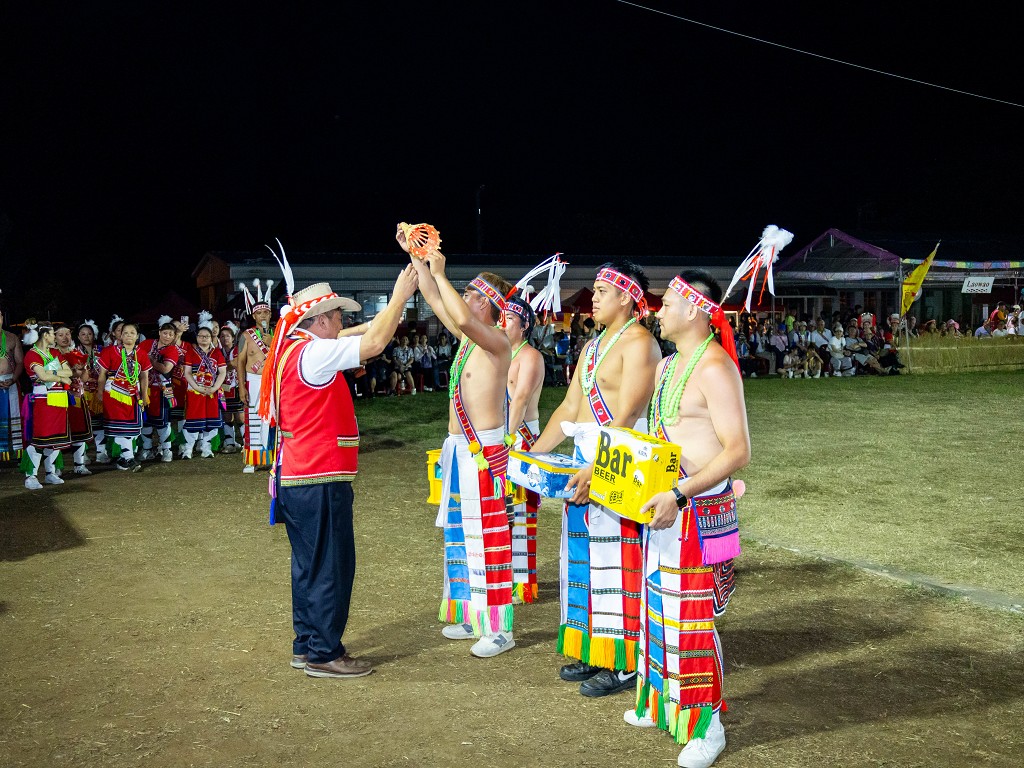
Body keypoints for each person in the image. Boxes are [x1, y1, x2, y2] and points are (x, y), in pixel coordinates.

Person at [258, 260, 418, 679]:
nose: (343, 322)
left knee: (309, 566)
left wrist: (353, 328)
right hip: (319, 476)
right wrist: (400, 296)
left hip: (297, 475)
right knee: (330, 565)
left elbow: (353, 336)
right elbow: (374, 343)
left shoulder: (293, 348)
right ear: (321, 320)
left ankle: (306, 644)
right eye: (338, 317)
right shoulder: (314, 353)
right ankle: (325, 653)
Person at [625, 270, 750, 768]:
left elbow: (738, 450)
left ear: (696, 309)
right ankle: (662, 702)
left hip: (698, 511)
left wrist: (679, 490)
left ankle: (708, 725)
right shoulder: (668, 367)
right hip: (663, 506)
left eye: (670, 302)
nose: (659, 310)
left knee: (692, 620)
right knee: (657, 610)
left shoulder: (715, 368)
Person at [531, 260, 661, 697]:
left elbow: (625, 416)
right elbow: (569, 409)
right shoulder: (593, 347)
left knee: (620, 564)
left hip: (618, 461)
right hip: (586, 457)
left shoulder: (640, 343)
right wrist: (532, 457)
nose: (595, 297)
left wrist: (596, 467)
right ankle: (598, 650)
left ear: (626, 296)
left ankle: (625, 662)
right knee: (584, 561)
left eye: (603, 290)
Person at [405, 238, 517, 658]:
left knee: (489, 538)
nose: (463, 299)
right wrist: (419, 259)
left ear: (486, 304)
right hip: (459, 449)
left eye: (471, 294)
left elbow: (455, 309)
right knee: (461, 535)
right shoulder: (471, 338)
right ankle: (472, 613)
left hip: (483, 452)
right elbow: (435, 298)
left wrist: (442, 272)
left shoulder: (496, 340)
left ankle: (500, 629)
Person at [503, 295, 546, 605]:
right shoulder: (503, 353)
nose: (502, 320)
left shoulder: (530, 356)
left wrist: (505, 440)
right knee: (503, 513)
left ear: (525, 324)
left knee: (521, 513)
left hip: (521, 439)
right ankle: (505, 576)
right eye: (501, 315)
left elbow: (519, 400)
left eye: (509, 317)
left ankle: (522, 583)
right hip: (505, 436)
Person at [21, 322, 73, 489]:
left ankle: (50, 473)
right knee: (39, 440)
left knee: (56, 439)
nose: (54, 337)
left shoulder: (55, 353)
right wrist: (61, 377)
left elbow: (69, 372)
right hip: (43, 400)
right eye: (52, 334)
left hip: (59, 399)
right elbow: (42, 376)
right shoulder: (32, 355)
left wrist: (54, 374)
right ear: (45, 335)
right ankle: (31, 476)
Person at [97, 321, 151, 471]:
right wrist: (100, 392)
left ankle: (123, 459)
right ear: (120, 335)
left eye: (132, 333)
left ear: (137, 336)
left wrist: (145, 394)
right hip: (114, 394)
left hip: (134, 394)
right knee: (121, 428)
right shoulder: (109, 351)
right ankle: (129, 458)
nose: (128, 335)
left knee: (132, 429)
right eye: (125, 332)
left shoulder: (141, 353)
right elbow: (102, 374)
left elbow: (144, 376)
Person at [236, 284, 276, 473]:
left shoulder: (277, 334)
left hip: (273, 382)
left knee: (272, 418)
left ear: (270, 315)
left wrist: (273, 344)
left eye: (266, 312)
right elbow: (240, 362)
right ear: (254, 316)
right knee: (253, 418)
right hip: (253, 381)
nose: (263, 316)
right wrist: (241, 388)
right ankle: (252, 460)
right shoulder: (246, 335)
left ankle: (272, 458)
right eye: (259, 313)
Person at [182, 318, 227, 459]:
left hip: (212, 392)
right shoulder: (190, 352)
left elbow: (223, 372)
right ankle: (188, 449)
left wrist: (214, 388)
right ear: (197, 337)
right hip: (195, 391)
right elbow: (187, 372)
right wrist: (196, 387)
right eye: (201, 336)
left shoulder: (217, 353)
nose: (204, 339)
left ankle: (206, 448)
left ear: (211, 338)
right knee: (193, 420)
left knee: (210, 421)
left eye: (206, 336)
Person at [138, 318, 182, 462]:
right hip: (144, 388)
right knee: (146, 421)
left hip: (162, 389)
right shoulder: (147, 343)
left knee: (163, 421)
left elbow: (165, 369)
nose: (167, 336)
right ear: (159, 332)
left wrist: (149, 360)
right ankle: (147, 448)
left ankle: (167, 450)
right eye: (165, 333)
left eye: (171, 334)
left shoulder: (172, 350)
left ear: (174, 336)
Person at [74, 320, 107, 464]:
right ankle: (83, 455)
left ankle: (101, 452)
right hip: (81, 392)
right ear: (78, 336)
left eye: (89, 334)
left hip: (99, 391)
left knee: (100, 423)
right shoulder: (74, 351)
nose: (87, 336)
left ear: (94, 335)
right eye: (83, 334)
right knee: (83, 424)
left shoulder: (102, 350)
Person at [0, 304, 26, 462]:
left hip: (11, 382)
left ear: (2, 318)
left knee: (14, 417)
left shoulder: (12, 337)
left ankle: (15, 452)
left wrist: (13, 379)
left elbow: (20, 362)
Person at [62, 349, 94, 474]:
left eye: (67, 334)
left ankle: (79, 465)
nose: (65, 337)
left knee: (80, 432)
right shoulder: (53, 355)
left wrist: (83, 369)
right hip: (60, 399)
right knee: (60, 433)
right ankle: (55, 468)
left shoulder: (77, 354)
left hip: (77, 398)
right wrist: (75, 372)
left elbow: (85, 378)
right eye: (60, 335)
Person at [219, 322, 244, 452]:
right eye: (222, 336)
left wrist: (224, 366)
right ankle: (230, 444)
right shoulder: (218, 352)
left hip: (237, 387)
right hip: (223, 388)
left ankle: (247, 443)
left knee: (240, 417)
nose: (225, 338)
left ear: (233, 338)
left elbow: (236, 364)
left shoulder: (237, 350)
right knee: (227, 416)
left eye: (228, 336)